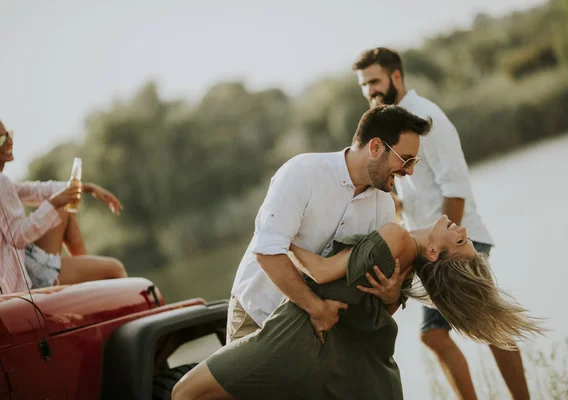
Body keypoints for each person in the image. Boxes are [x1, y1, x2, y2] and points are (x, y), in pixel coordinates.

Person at [171, 214, 543, 400]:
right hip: (332, 360)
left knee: (183, 393)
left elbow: (319, 270)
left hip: (291, 338)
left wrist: (278, 234)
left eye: (459, 238)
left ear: (435, 251)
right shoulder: (405, 273)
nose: (458, 225)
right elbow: (372, 310)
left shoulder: (396, 238)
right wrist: (390, 297)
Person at [353, 47, 530, 399]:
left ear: (396, 77)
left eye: (374, 80)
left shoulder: (427, 118)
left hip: (459, 239)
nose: (369, 90)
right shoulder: (394, 125)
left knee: (454, 330)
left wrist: (448, 243)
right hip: (431, 246)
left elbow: (456, 189)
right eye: (363, 84)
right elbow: (417, 189)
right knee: (482, 324)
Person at [223, 104, 430, 346]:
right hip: (255, 315)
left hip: (314, 330)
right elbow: (267, 252)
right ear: (375, 147)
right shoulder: (302, 173)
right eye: (406, 160)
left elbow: (371, 287)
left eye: (414, 161)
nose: (410, 171)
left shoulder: (383, 207)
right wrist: (316, 308)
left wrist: (391, 294)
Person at [0, 120, 127, 294]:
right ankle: (91, 285)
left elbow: (37, 190)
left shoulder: (5, 183)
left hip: (24, 261)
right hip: (21, 278)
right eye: (1, 140)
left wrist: (87, 188)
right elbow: (18, 237)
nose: (8, 142)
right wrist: (54, 203)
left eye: (8, 135)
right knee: (115, 269)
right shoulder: (1, 183)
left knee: (63, 210)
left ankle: (88, 280)